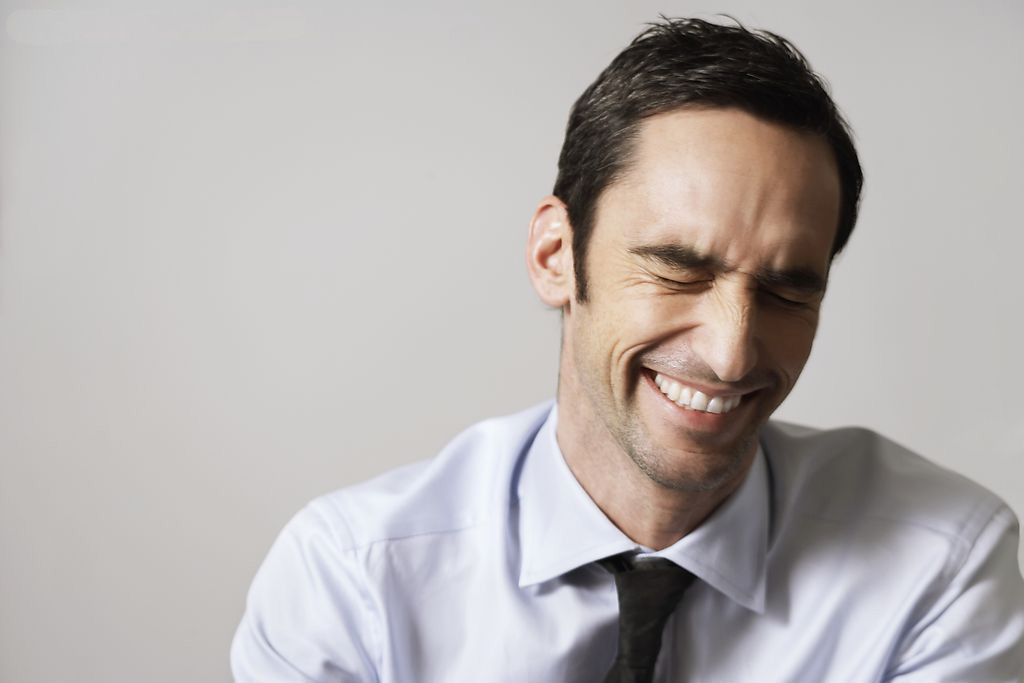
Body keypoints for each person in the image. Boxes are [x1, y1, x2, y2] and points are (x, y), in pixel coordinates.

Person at [231, 17, 1024, 682]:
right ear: (555, 255)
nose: (731, 353)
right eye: (678, 268)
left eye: (787, 292)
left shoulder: (937, 566)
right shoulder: (352, 582)